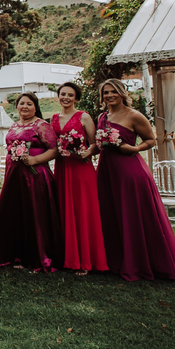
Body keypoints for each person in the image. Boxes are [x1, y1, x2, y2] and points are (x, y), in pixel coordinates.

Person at [95, 79, 175, 282]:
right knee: (112, 213)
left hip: (130, 170)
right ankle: (116, 260)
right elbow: (99, 143)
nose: (109, 95)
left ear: (122, 92)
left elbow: (151, 140)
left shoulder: (134, 115)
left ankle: (140, 261)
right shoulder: (102, 117)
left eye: (114, 91)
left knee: (134, 215)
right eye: (106, 92)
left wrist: (135, 148)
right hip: (107, 170)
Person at [0, 92, 61, 272]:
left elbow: (54, 149)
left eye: (29, 104)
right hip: (15, 176)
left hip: (35, 175)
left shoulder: (42, 125)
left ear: (35, 107)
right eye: (22, 104)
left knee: (35, 214)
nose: (25, 107)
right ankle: (15, 254)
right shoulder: (14, 125)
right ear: (17, 106)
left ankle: (39, 257)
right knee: (15, 214)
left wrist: (35, 161)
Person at [51, 82, 108, 275]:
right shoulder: (53, 118)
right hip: (62, 169)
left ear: (76, 98)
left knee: (82, 211)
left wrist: (86, 152)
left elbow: (96, 145)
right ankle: (67, 257)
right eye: (62, 94)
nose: (65, 97)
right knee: (64, 210)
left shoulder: (83, 116)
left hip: (81, 169)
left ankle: (85, 260)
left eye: (70, 95)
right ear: (58, 96)